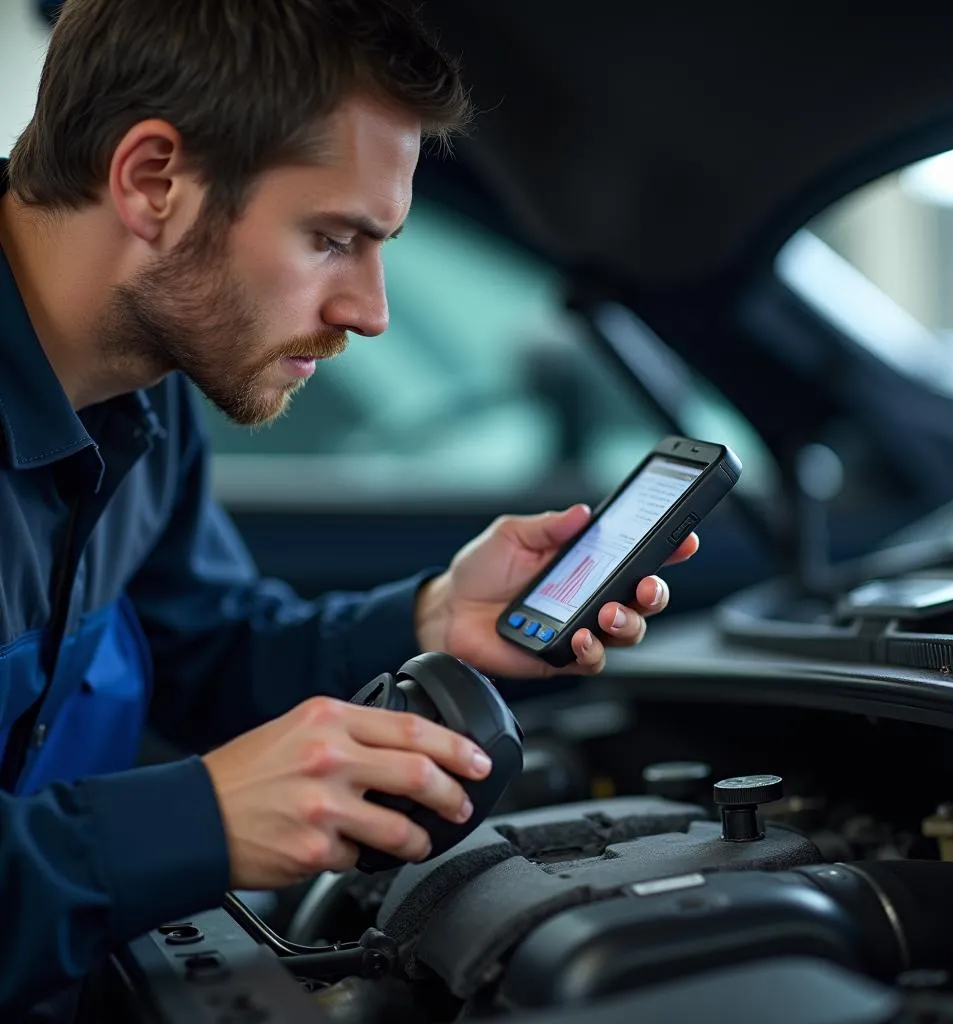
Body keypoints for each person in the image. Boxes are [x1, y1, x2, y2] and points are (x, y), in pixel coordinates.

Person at [0, 0, 700, 1017]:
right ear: (153, 180)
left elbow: (212, 650)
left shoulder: (139, 387)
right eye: (332, 237)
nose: (368, 310)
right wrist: (196, 821)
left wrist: (430, 619)